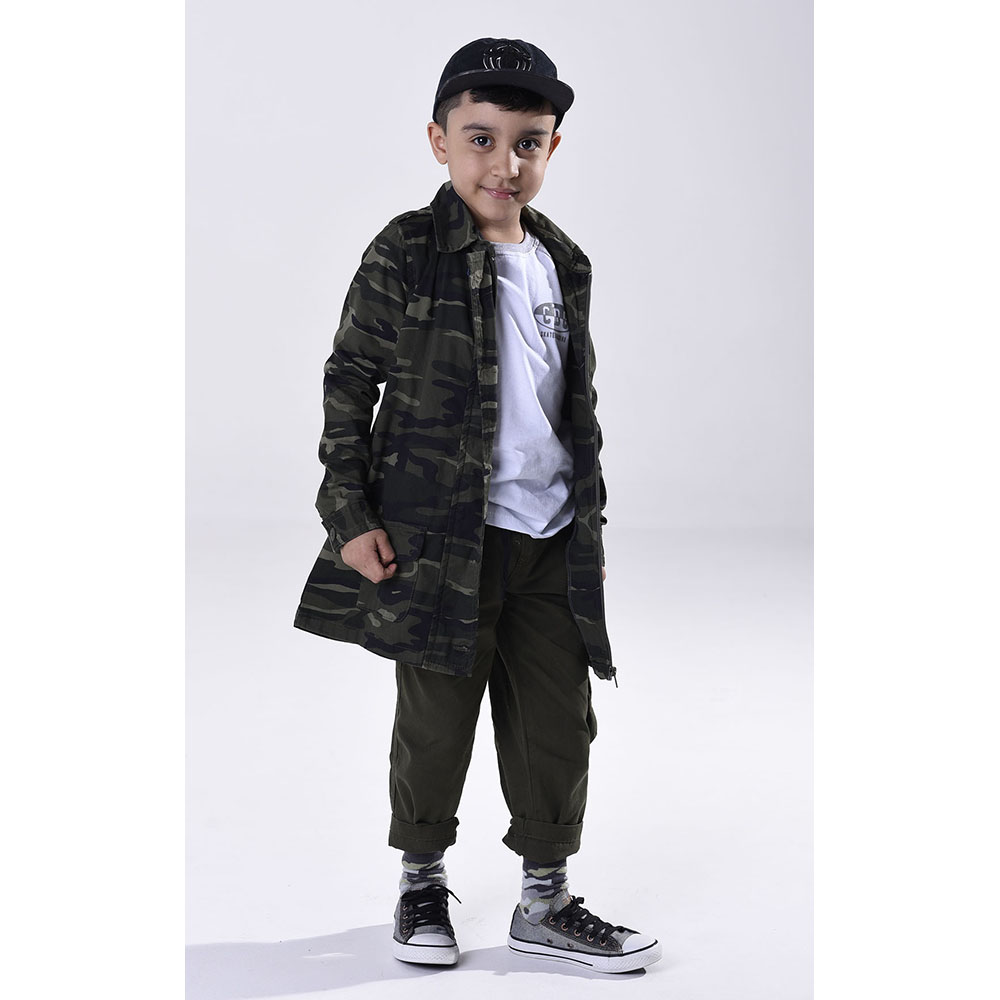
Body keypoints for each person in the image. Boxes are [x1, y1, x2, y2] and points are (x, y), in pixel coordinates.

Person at [293, 37, 661, 975]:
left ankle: (545, 900)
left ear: (552, 148)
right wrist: (349, 515)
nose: (505, 164)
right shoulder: (408, 250)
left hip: (551, 536)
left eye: (528, 142)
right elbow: (350, 379)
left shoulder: (563, 261)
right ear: (439, 141)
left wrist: (588, 525)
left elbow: (571, 404)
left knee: (557, 720)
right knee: (436, 718)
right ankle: (421, 882)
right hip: (441, 538)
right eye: (481, 139)